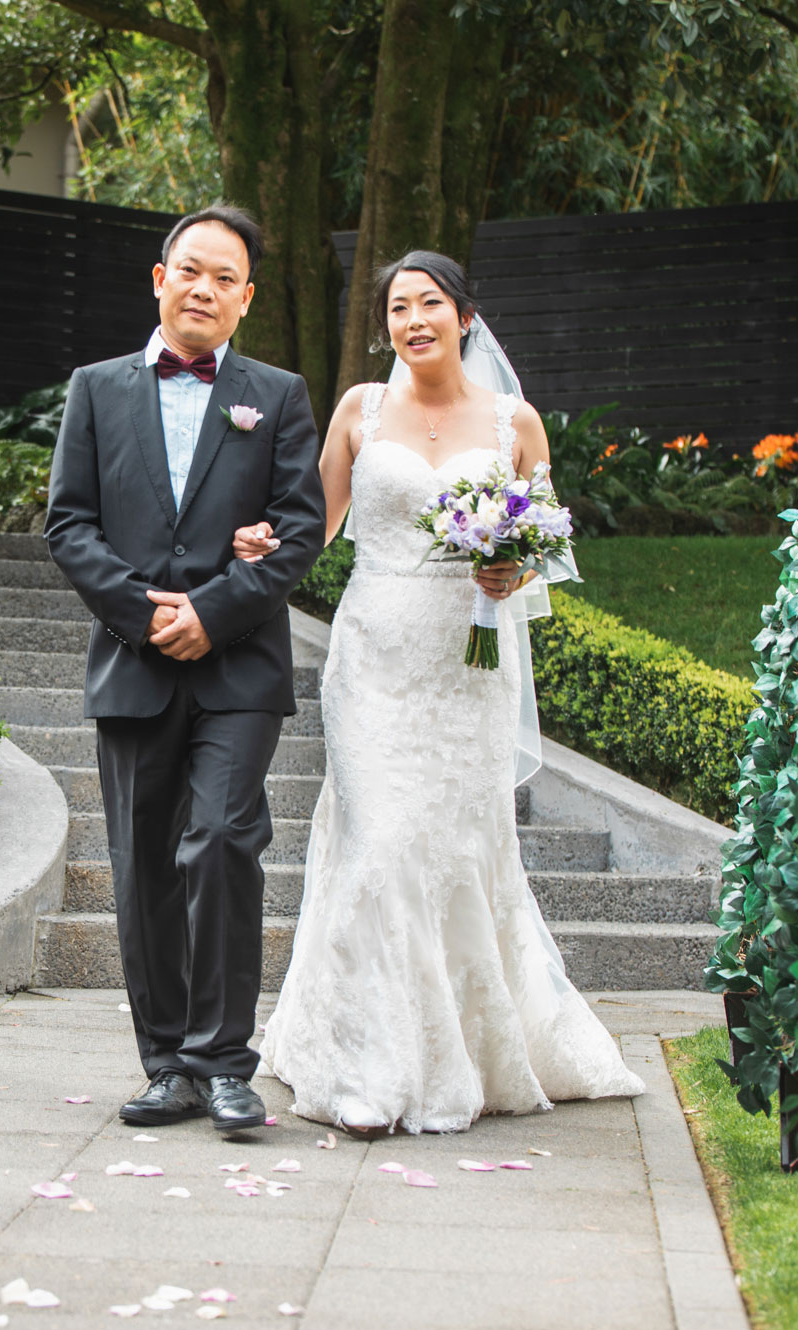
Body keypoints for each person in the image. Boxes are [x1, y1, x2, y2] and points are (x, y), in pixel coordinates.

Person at [240, 252, 642, 1135]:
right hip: (372, 658)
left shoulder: (513, 422)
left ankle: (459, 1043)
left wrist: (511, 571)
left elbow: (547, 543)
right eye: (397, 306)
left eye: (429, 303)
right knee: (377, 843)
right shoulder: (359, 409)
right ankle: (368, 1066)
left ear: (465, 317)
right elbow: (319, 520)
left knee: (454, 853)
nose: (412, 318)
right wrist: (265, 541)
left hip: (467, 670)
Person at [44, 204, 326, 1135]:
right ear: (159, 278)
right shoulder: (94, 388)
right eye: (190, 270)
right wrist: (143, 612)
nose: (203, 288)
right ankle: (165, 1061)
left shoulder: (277, 395)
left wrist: (214, 611)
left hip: (238, 670)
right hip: (133, 666)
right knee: (143, 866)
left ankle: (223, 1060)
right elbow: (69, 524)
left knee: (222, 842)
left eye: (225, 279)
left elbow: (299, 528)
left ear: (245, 301)